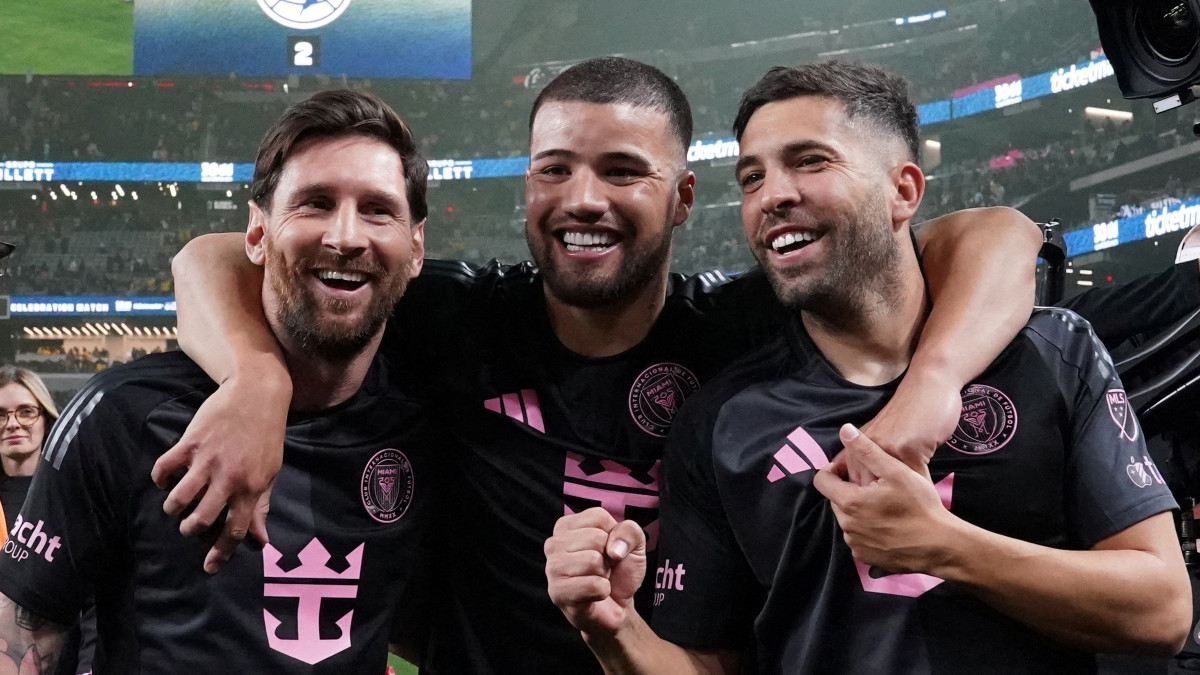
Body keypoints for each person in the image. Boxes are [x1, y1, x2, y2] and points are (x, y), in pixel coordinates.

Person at [166, 58, 1047, 672]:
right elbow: (211, 256)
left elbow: (997, 234)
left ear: (684, 196)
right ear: (529, 189)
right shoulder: (457, 315)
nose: (583, 200)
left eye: (624, 171)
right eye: (556, 170)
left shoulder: (743, 326)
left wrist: (931, 382)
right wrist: (258, 377)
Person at [544, 61, 1193, 674]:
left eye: (809, 161)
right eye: (751, 178)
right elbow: (709, 663)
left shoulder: (1054, 353)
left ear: (904, 190)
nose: (773, 194)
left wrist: (946, 544)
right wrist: (614, 627)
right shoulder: (722, 420)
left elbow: (1163, 608)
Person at [0, 89, 438, 673]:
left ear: (416, 248)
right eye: (314, 203)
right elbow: (25, 640)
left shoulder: (429, 420)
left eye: (378, 209)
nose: (346, 236)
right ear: (255, 235)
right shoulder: (126, 414)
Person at [0, 366, 58, 545]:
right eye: (0, 415)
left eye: (26, 412)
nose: (12, 424)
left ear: (46, 421)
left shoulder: (75, 491)